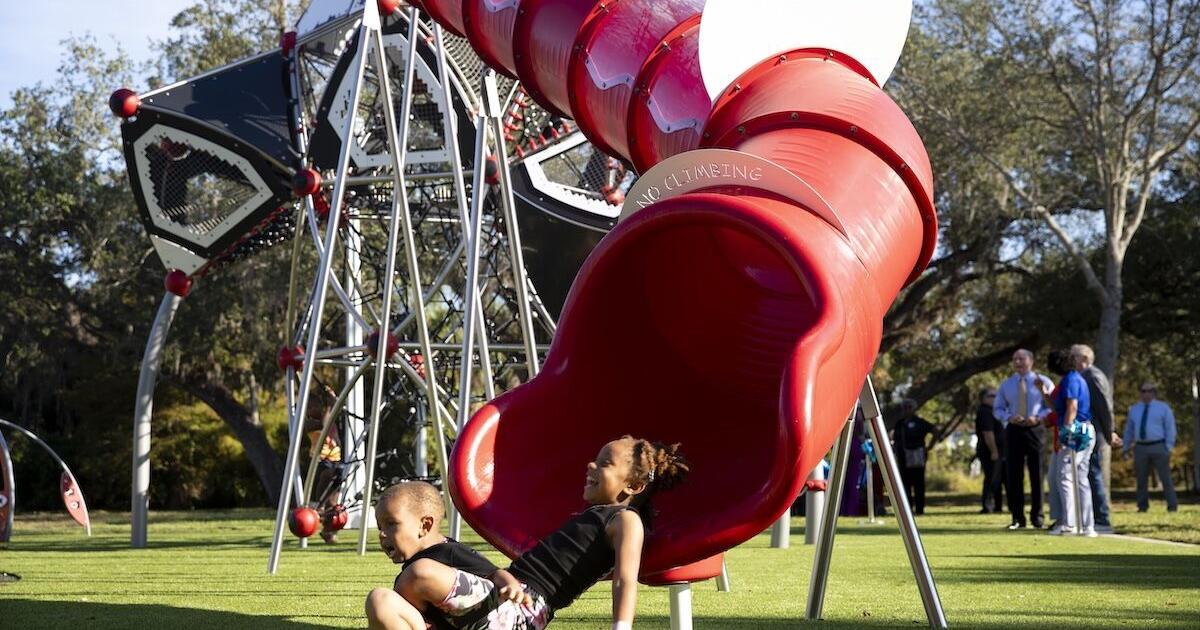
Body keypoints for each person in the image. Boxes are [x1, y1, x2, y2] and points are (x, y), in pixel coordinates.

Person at [366, 436, 690, 630]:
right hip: (503, 599)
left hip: (522, 611)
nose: (591, 465)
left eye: (605, 463)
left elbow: (624, 580)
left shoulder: (626, 520)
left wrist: (621, 627)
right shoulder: (594, 516)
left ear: (633, 485)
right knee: (380, 601)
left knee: (419, 573)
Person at [368, 481, 515, 630]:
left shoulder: (449, 551)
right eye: (380, 527)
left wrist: (510, 584)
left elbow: (493, 573)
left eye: (391, 523)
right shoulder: (408, 574)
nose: (382, 534)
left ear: (425, 525)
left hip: (490, 619)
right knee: (379, 598)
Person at [993, 349, 1054, 529]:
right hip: (1014, 430)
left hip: (1035, 429)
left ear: (1031, 361)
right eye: (1015, 359)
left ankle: (1038, 517)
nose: (1017, 362)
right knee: (1014, 475)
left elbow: (1052, 406)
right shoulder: (1007, 384)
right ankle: (1018, 518)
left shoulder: (1043, 382)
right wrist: (1008, 417)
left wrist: (1039, 417)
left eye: (1021, 358)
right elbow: (997, 408)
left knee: (1037, 474)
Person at [1072, 344, 1120, 533]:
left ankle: (1102, 518)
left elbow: (1104, 406)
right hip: (1087, 432)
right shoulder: (1083, 376)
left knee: (1093, 474)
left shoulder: (1092, 376)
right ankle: (1090, 518)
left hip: (1094, 433)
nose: (1071, 360)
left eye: (1074, 356)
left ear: (1084, 358)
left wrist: (1109, 432)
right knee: (1088, 474)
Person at [1048, 352, 1096, 536]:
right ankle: (1087, 525)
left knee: (1065, 475)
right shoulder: (1075, 378)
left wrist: (1066, 433)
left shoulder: (1071, 380)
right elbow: (1059, 408)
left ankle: (1070, 524)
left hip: (1077, 430)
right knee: (1080, 477)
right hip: (1085, 428)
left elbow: (1072, 407)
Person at [1123, 383, 1179, 512]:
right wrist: (1126, 446)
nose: (1146, 394)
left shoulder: (1163, 408)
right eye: (1143, 391)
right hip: (1140, 447)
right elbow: (1129, 430)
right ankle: (1142, 506)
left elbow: (1170, 428)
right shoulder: (1134, 409)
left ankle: (1172, 505)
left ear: (1154, 393)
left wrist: (1168, 446)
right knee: (1141, 479)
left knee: (1165, 478)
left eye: (1149, 391)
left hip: (1159, 445)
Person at [891, 399, 935, 515]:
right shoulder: (900, 424)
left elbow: (935, 430)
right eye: (905, 407)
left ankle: (920, 508)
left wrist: (929, 447)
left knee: (919, 483)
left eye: (909, 407)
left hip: (917, 456)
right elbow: (895, 439)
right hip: (903, 456)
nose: (907, 410)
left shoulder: (920, 422)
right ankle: (907, 508)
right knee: (905, 483)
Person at [974, 388, 1004, 513]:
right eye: (992, 395)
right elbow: (988, 433)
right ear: (983, 398)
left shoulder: (994, 411)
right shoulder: (985, 412)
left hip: (999, 450)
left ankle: (998, 505)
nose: (995, 398)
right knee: (991, 478)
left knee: (998, 478)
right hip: (989, 450)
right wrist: (994, 451)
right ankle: (988, 506)